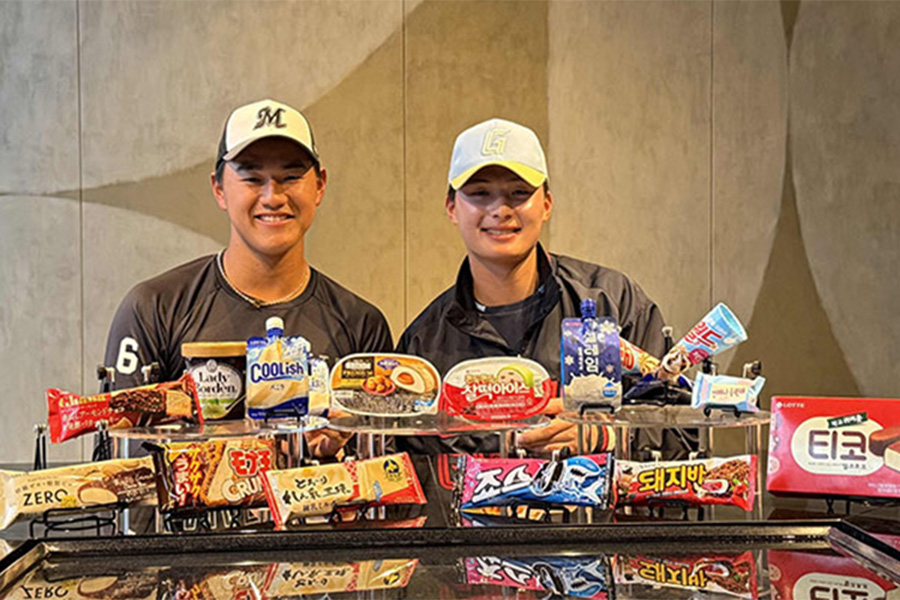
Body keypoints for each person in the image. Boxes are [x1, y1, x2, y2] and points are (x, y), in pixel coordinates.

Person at [103, 99, 392, 455]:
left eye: (291, 177)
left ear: (319, 186)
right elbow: (122, 473)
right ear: (219, 188)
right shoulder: (153, 308)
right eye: (252, 178)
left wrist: (335, 453)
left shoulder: (360, 324)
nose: (273, 196)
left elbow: (385, 478)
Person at [396, 118, 666, 455]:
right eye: (480, 194)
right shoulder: (424, 344)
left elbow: (683, 429)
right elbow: (411, 470)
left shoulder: (613, 302)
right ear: (452, 208)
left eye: (519, 193)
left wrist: (607, 438)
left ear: (547, 204)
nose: (500, 210)